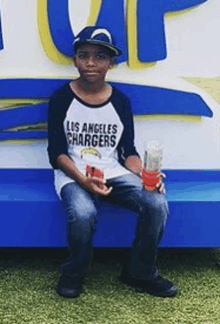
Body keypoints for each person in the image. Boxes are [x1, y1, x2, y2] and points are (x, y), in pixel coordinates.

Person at [47, 26, 178, 298]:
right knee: (83, 214)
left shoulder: (120, 101)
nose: (91, 63)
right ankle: (74, 273)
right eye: (83, 55)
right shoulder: (61, 98)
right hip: (73, 175)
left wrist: (145, 174)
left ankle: (139, 272)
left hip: (112, 173)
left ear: (111, 63)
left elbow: (127, 151)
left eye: (100, 57)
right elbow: (56, 153)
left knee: (156, 203)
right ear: (74, 60)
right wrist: (82, 180)